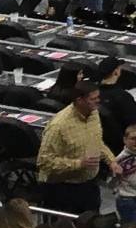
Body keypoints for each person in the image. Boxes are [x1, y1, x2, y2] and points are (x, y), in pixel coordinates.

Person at [36, 80, 116, 213]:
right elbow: (44, 161)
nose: (98, 101)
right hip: (63, 189)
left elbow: (96, 140)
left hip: (89, 184)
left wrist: (111, 160)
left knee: (93, 227)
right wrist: (79, 163)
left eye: (98, 97)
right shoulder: (59, 126)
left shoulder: (94, 113)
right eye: (93, 99)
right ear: (80, 100)